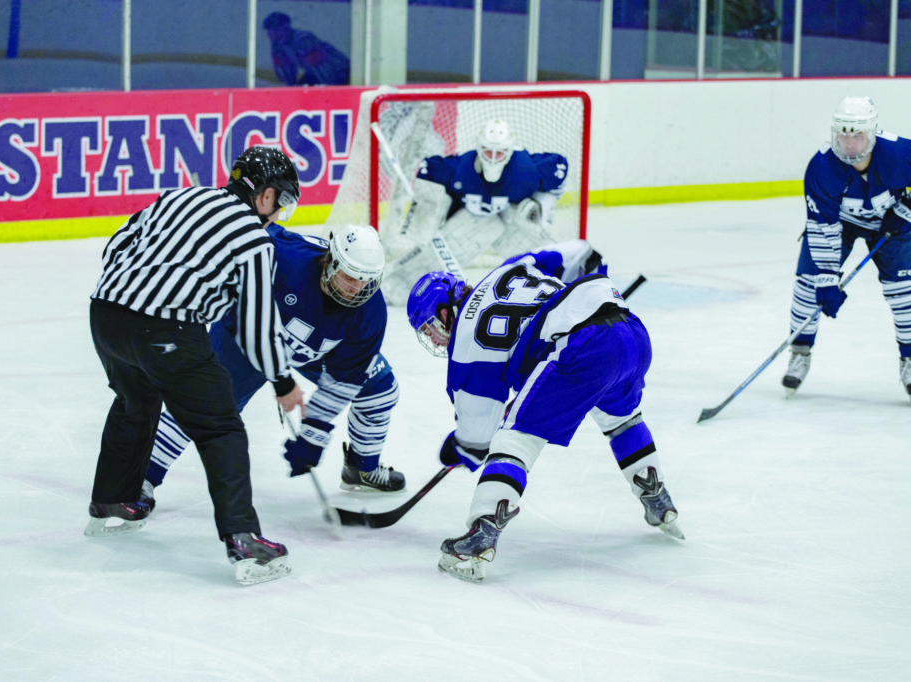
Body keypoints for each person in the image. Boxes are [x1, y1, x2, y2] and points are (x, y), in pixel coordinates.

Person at [86, 145, 303, 586]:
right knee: (220, 426)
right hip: (167, 330)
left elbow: (117, 244)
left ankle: (113, 499)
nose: (278, 214)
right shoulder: (254, 240)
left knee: (135, 400)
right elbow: (258, 326)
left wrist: (130, 297)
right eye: (280, 202)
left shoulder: (181, 195)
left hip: (105, 313)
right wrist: (282, 381)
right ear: (263, 196)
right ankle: (243, 536)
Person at [405, 241, 683, 583]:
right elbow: (583, 254)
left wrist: (461, 449)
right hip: (631, 331)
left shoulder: (464, 348)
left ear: (446, 312)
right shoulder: (510, 266)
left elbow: (479, 439)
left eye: (430, 327)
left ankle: (481, 533)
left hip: (580, 346)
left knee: (516, 436)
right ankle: (658, 499)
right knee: (622, 419)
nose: (434, 338)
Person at [141, 222, 406, 504]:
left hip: (315, 349)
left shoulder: (370, 312)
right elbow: (245, 232)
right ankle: (141, 478)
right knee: (202, 404)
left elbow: (345, 379)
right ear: (330, 261)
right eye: (351, 277)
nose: (359, 289)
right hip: (247, 338)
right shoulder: (282, 257)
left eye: (367, 280)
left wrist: (313, 432)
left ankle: (361, 468)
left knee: (379, 389)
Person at [782, 96, 911, 404]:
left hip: (892, 224)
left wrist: (910, 207)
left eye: (857, 135)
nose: (849, 143)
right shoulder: (822, 166)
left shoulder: (901, 154)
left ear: (872, 134)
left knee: (904, 291)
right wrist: (826, 279)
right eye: (843, 134)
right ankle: (800, 352)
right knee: (808, 286)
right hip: (840, 226)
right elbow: (823, 228)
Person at [380, 118, 569, 305]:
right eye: (488, 151)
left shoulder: (526, 170)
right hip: (473, 222)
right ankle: (393, 286)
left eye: (500, 153)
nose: (493, 158)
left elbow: (560, 166)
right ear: (479, 147)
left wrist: (544, 213)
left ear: (510, 151)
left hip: (509, 221)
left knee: (539, 255)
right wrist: (426, 214)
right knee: (430, 257)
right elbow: (428, 167)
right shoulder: (461, 168)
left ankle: (556, 289)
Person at [263, 12, 350, 86]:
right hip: (315, 74)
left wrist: (328, 90)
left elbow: (322, 67)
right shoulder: (277, 45)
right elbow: (286, 71)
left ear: (284, 28)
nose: (269, 34)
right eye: (268, 31)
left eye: (272, 30)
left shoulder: (304, 40)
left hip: (341, 71)